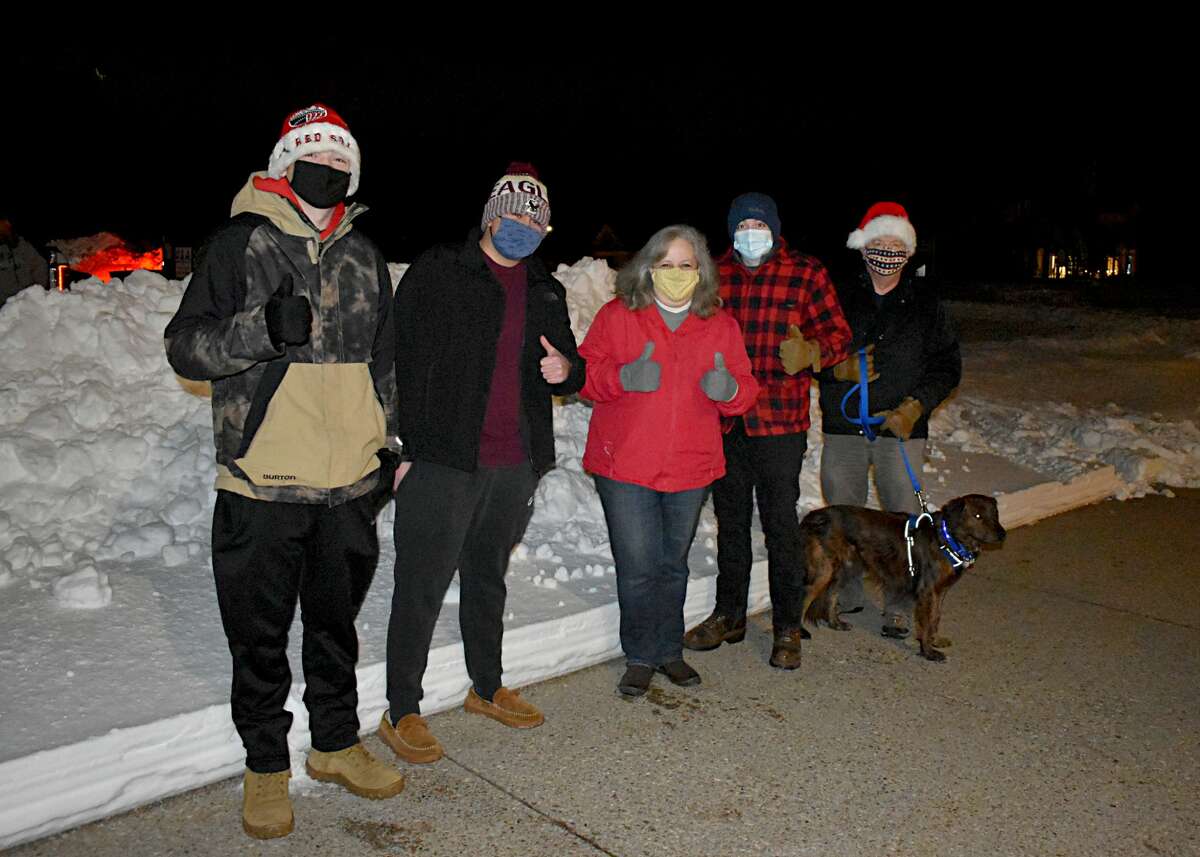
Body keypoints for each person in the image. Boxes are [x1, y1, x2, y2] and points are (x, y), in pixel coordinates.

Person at [164, 103, 403, 840]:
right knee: (258, 637)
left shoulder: (364, 253)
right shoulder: (239, 243)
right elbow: (186, 347)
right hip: (261, 483)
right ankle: (266, 765)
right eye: (311, 155)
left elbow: (386, 361)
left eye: (338, 160)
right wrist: (261, 330)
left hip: (347, 486)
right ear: (281, 162)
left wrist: (392, 442)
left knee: (335, 629)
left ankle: (334, 745)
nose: (325, 169)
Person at [380, 163, 585, 762]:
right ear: (490, 214)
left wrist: (568, 371)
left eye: (534, 218)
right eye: (513, 212)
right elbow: (392, 360)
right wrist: (397, 449)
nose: (521, 224)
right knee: (420, 585)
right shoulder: (440, 270)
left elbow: (567, 359)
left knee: (488, 579)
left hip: (513, 461)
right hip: (442, 460)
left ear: (545, 229)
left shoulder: (546, 287)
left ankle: (487, 685)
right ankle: (402, 709)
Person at [579, 224, 758, 697]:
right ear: (647, 268)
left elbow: (745, 388)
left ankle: (668, 650)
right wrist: (621, 376)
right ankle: (640, 654)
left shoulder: (720, 324)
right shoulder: (619, 316)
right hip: (626, 465)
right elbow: (585, 375)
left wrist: (731, 391)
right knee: (638, 565)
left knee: (672, 564)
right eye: (665, 265)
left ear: (701, 272)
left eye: (686, 265)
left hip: (690, 464)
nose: (676, 274)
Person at [683, 193, 851, 670]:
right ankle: (729, 615)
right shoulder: (715, 274)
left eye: (759, 224)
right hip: (726, 421)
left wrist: (813, 353)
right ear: (731, 231)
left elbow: (839, 335)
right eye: (743, 225)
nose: (750, 232)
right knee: (731, 524)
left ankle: (786, 626)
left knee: (780, 527)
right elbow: (690, 332)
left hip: (780, 421)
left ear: (775, 229)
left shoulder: (806, 273)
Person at [817, 201, 961, 637]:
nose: (887, 253)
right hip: (845, 430)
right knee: (845, 516)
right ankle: (846, 594)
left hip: (902, 430)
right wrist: (832, 368)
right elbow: (810, 349)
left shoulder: (927, 304)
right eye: (878, 245)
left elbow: (947, 365)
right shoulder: (838, 297)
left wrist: (916, 406)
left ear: (909, 251)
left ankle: (901, 605)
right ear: (862, 248)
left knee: (904, 523)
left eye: (895, 245)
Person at [0, 215, 48, 307]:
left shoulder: (21, 245)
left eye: (8, 221)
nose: (8, 224)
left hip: (30, 300)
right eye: (3, 222)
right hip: (4, 307)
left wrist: (37, 289)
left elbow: (39, 265)